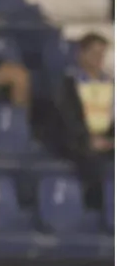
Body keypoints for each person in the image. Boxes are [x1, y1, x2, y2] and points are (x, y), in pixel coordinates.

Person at [51, 32, 113, 209]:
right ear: (81, 54)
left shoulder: (110, 83)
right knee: (94, 162)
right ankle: (98, 210)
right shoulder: (68, 83)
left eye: (102, 54)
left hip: (106, 139)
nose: (98, 59)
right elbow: (67, 118)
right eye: (94, 54)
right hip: (77, 141)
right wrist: (87, 139)